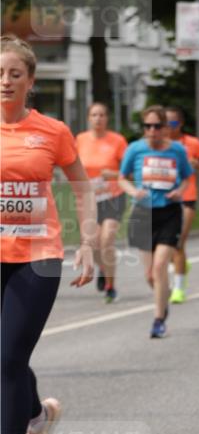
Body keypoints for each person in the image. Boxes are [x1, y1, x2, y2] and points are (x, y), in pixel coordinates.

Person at [1, 35, 95, 434]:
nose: (5, 81)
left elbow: (82, 188)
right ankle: (37, 416)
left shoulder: (52, 131)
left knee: (6, 358)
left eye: (15, 74)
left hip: (37, 257)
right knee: (7, 361)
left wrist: (89, 243)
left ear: (30, 81)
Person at [118, 106, 192, 339]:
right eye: (147, 126)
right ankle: (164, 296)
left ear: (165, 128)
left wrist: (179, 191)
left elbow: (188, 177)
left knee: (160, 266)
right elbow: (122, 178)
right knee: (150, 275)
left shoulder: (177, 150)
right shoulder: (135, 149)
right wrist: (133, 191)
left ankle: (158, 320)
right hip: (143, 213)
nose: (152, 130)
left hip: (169, 212)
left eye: (157, 126)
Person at [75, 103, 128, 302]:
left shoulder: (117, 141)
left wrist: (112, 174)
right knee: (94, 243)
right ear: (89, 118)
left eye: (102, 115)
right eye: (94, 115)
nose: (98, 118)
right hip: (91, 199)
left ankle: (110, 286)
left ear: (107, 118)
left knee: (107, 240)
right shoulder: (80, 140)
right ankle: (104, 269)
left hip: (114, 197)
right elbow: (71, 165)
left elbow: (128, 172)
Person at [165, 107, 199, 304]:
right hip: (164, 199)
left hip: (186, 198)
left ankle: (178, 288)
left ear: (181, 124)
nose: (169, 127)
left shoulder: (192, 143)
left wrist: (198, 166)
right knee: (164, 245)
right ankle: (181, 264)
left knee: (178, 243)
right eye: (165, 123)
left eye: (173, 123)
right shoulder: (158, 145)